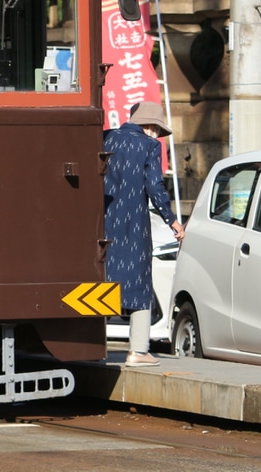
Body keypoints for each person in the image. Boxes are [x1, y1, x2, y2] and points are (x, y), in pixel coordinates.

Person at [103, 100, 185, 367]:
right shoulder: (149, 146)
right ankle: (138, 351)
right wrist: (172, 220)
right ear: (150, 126)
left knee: (103, 279)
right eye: (158, 131)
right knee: (139, 282)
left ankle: (93, 346)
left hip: (102, 221)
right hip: (133, 224)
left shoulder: (107, 137)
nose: (158, 136)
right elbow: (155, 187)